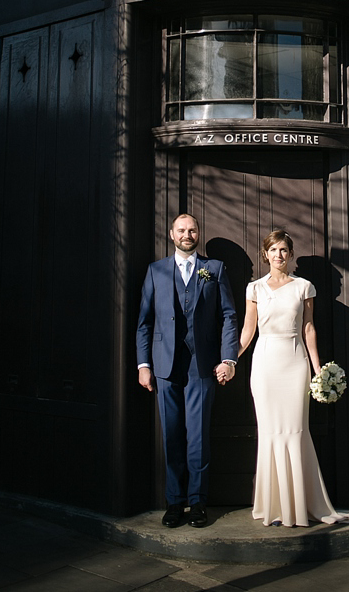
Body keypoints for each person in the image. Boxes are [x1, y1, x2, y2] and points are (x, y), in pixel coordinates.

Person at [136, 213, 238, 529]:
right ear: (172, 234)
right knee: (171, 436)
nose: (187, 234)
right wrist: (143, 365)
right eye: (181, 230)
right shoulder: (156, 271)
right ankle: (174, 503)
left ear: (198, 234)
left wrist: (229, 359)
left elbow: (229, 317)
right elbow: (145, 322)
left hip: (201, 365)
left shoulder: (214, 269)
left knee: (198, 438)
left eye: (192, 229)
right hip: (165, 366)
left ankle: (197, 503)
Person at [238, 229, 343, 527]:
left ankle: (299, 506)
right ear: (265, 254)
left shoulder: (304, 287)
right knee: (270, 432)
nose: (279, 255)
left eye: (284, 250)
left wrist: (318, 369)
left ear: (290, 254)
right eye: (273, 250)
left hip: (295, 363)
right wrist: (230, 359)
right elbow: (248, 331)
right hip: (265, 364)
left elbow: (309, 329)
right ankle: (273, 506)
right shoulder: (255, 289)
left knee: (296, 430)